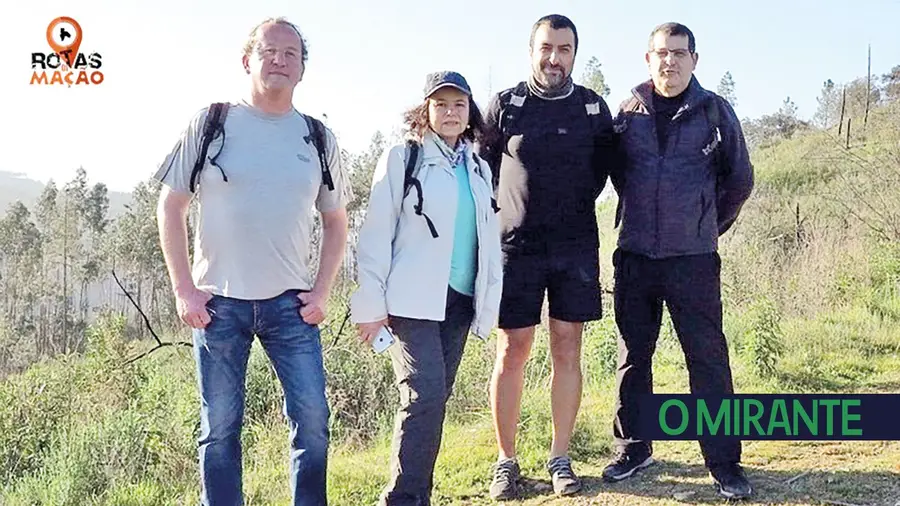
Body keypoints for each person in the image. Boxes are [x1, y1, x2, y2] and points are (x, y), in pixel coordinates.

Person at [153, 17, 350, 506]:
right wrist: (184, 289)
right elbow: (170, 205)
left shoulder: (318, 138)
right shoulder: (212, 123)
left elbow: (337, 222)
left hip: (292, 305)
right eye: (270, 51)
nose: (280, 60)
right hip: (218, 304)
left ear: (303, 69)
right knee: (219, 429)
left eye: (291, 53)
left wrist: (322, 291)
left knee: (314, 426)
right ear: (247, 61)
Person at [603, 22, 755, 499]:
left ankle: (725, 462)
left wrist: (706, 226)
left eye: (678, 53)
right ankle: (635, 447)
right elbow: (616, 176)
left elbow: (739, 180)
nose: (669, 61)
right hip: (635, 258)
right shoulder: (627, 113)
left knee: (707, 359)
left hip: (693, 260)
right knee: (634, 356)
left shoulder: (714, 112)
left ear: (694, 59)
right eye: (660, 53)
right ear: (648, 59)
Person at [477, 13, 615, 499]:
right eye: (546, 47)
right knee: (511, 351)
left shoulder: (594, 109)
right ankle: (506, 460)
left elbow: (602, 174)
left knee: (567, 348)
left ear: (574, 54)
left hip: (574, 246)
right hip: (515, 247)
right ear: (531, 50)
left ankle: (560, 456)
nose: (554, 58)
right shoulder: (506, 106)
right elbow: (484, 172)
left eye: (564, 49)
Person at [350, 70, 503, 506]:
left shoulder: (475, 166)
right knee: (424, 395)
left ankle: (419, 494)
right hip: (410, 301)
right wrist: (370, 302)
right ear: (426, 111)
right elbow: (376, 232)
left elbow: (485, 239)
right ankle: (400, 498)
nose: (451, 112)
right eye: (441, 104)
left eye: (459, 104)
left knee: (435, 400)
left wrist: (487, 300)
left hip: (457, 299)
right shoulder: (404, 157)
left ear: (470, 111)